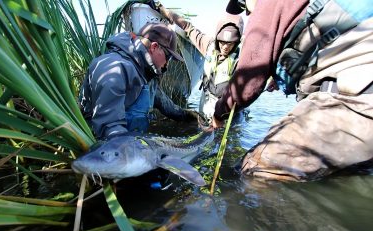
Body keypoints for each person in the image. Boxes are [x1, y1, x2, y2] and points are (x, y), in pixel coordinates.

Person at [212, 0, 373, 181]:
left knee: (253, 170)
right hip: (359, 105)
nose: (248, 14)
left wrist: (218, 115)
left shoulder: (267, 3)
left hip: (353, 103)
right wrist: (279, 78)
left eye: (244, 7)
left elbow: (248, 85)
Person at [79, 22, 198, 140]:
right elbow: (109, 129)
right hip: (106, 149)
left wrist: (186, 115)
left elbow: (163, 102)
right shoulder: (114, 69)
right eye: (168, 57)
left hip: (133, 143)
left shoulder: (145, 72)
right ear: (154, 47)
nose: (167, 63)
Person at [149, 0, 244, 122]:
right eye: (222, 42)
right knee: (204, 130)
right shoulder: (209, 46)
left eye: (230, 44)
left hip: (228, 109)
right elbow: (188, 27)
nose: (225, 47)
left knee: (226, 136)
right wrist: (163, 10)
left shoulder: (240, 60)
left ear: (236, 43)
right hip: (207, 100)